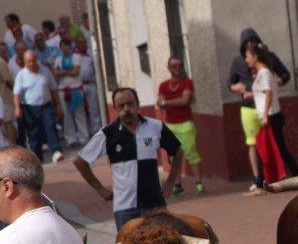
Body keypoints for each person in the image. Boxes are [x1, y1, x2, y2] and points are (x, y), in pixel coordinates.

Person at [74, 87, 182, 228]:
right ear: (115, 108)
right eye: (121, 106)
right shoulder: (108, 133)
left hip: (155, 205)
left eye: (130, 104)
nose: (127, 109)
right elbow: (80, 161)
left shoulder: (155, 126)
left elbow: (178, 150)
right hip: (125, 208)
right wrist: (100, 188)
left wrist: (171, 181)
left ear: (138, 104)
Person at [228, 28, 292, 189]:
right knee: (254, 143)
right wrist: (238, 88)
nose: (250, 46)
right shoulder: (237, 62)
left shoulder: (268, 60)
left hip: (266, 110)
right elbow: (230, 84)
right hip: (249, 108)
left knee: (274, 144)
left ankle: (281, 175)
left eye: (253, 42)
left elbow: (284, 76)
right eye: (246, 44)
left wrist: (275, 84)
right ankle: (258, 178)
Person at [246, 42, 298, 189]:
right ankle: (281, 178)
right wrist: (251, 94)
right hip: (270, 115)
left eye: (248, 56)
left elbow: (268, 93)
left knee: (273, 149)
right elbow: (264, 93)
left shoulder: (264, 73)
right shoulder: (263, 73)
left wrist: (264, 116)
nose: (246, 60)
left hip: (271, 116)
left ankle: (295, 177)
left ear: (255, 57)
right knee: (273, 149)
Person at [156, 57, 204, 194]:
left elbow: (185, 100)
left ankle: (199, 182)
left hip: (186, 123)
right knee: (173, 156)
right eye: (173, 66)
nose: (177, 68)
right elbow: (159, 102)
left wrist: (166, 103)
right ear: (169, 68)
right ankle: (177, 185)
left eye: (179, 65)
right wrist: (168, 102)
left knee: (191, 153)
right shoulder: (163, 85)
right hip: (170, 125)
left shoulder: (187, 82)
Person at [13, 50, 64, 163]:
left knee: (50, 126)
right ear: (25, 63)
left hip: (46, 105)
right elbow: (17, 94)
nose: (32, 63)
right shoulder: (21, 75)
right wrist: (17, 108)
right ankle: (37, 158)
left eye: (34, 60)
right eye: (29, 61)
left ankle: (56, 151)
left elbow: (54, 89)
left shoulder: (45, 71)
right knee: (33, 133)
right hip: (29, 107)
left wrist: (58, 106)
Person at [53, 36, 87, 147]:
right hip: (63, 90)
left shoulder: (76, 57)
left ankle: (83, 136)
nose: (64, 48)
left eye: (66, 45)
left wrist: (62, 72)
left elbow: (75, 72)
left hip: (75, 89)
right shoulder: (58, 59)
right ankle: (70, 138)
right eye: (61, 46)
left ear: (70, 46)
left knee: (79, 113)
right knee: (67, 116)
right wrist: (68, 71)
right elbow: (56, 74)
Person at [74, 36, 101, 137]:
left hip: (90, 84)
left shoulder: (91, 56)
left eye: (84, 43)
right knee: (81, 111)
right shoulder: (74, 57)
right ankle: (84, 133)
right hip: (79, 86)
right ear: (76, 45)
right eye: (80, 43)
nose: (83, 45)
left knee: (94, 109)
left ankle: (96, 131)